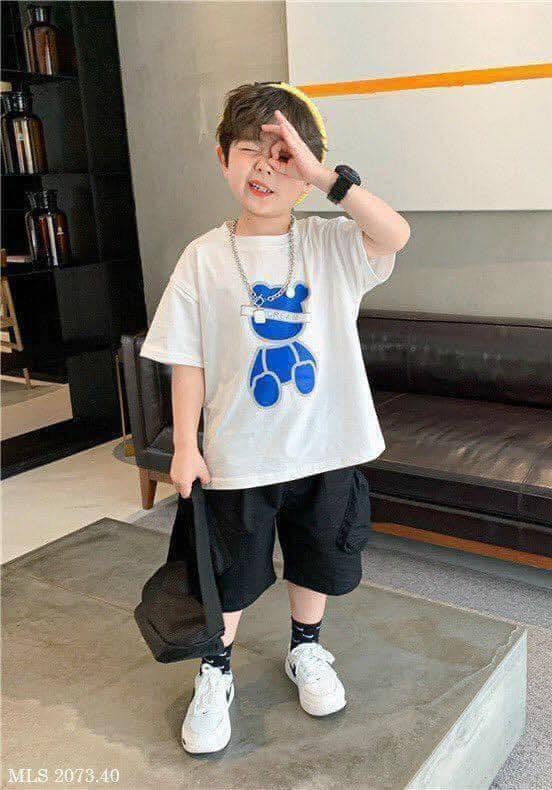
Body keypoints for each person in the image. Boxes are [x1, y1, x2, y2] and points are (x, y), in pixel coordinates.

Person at [138, 81, 410, 754]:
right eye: (249, 152)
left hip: (327, 448)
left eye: (283, 157)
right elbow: (186, 359)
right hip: (239, 455)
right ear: (222, 158)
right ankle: (216, 670)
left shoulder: (331, 245)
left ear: (306, 168)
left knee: (318, 559)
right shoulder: (203, 257)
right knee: (228, 573)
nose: (265, 168)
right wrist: (185, 445)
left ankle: (306, 648)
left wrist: (324, 178)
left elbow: (395, 233)